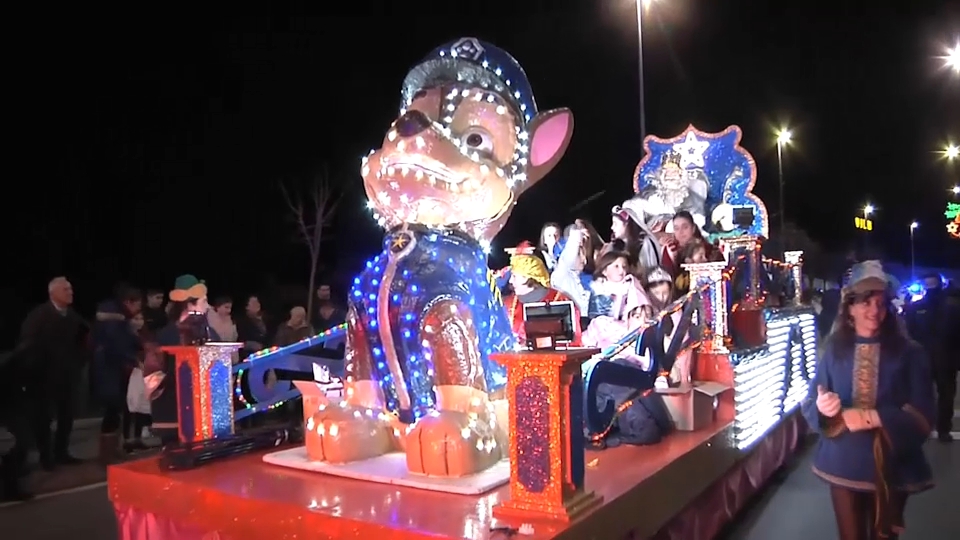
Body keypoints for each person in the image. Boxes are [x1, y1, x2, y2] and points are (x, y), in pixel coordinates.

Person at [801, 261, 934, 540]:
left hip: (892, 465)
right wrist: (824, 409)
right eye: (866, 302)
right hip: (843, 462)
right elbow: (812, 400)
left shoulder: (910, 353)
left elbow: (923, 415)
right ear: (849, 307)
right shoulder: (834, 350)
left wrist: (872, 417)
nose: (874, 310)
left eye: (880, 303)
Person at [18, 277, 89, 469]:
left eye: (70, 289)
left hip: (68, 375)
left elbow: (84, 341)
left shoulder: (73, 317)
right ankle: (46, 457)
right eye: (66, 289)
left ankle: (61, 452)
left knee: (67, 416)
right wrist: (33, 370)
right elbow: (27, 345)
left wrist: (79, 362)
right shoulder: (39, 316)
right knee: (43, 418)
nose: (70, 292)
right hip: (44, 377)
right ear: (53, 293)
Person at [145, 275, 219, 445]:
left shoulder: (207, 332)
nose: (208, 306)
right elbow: (153, 375)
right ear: (189, 304)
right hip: (174, 412)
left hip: (197, 412)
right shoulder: (167, 335)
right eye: (204, 301)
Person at [91, 284, 143, 464]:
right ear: (128, 302)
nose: (138, 310)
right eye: (137, 305)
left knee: (115, 411)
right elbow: (117, 343)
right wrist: (134, 358)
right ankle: (107, 455)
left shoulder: (115, 316)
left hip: (111, 369)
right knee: (112, 411)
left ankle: (112, 450)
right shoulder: (115, 319)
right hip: (109, 370)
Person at [904, 274, 957, 442]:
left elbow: (908, 334)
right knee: (941, 396)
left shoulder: (917, 307)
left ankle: (925, 428)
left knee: (924, 396)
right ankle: (940, 429)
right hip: (941, 359)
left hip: (931, 358)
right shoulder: (951, 308)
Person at [502, 242, 582, 345]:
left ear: (527, 277)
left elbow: (574, 342)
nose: (510, 281)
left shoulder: (560, 301)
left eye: (514, 276)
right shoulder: (507, 305)